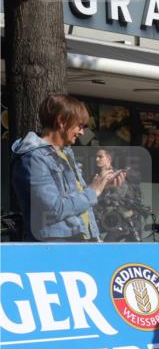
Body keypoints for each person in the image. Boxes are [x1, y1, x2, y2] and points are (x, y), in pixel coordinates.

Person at [11, 94, 123, 242]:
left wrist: (102, 187)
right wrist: (92, 191)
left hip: (77, 241)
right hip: (55, 247)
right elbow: (53, 209)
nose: (82, 132)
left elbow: (75, 201)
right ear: (62, 121)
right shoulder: (33, 158)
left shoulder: (65, 153)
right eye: (80, 126)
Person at [93, 148, 144, 241]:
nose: (97, 159)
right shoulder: (97, 176)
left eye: (100, 157)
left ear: (108, 158)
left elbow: (118, 197)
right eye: (96, 157)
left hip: (118, 219)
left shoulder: (116, 175)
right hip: (104, 219)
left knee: (108, 245)